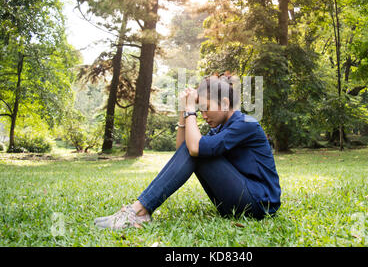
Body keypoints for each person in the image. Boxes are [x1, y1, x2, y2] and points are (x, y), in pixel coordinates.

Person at [94, 75, 281, 230]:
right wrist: (184, 110)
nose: (204, 115)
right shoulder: (221, 127)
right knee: (196, 149)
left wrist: (191, 110)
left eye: (206, 108)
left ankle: (138, 211)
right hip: (235, 203)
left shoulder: (246, 124)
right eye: (201, 111)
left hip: (259, 204)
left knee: (197, 149)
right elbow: (183, 150)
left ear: (225, 103)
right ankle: (139, 211)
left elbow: (194, 148)